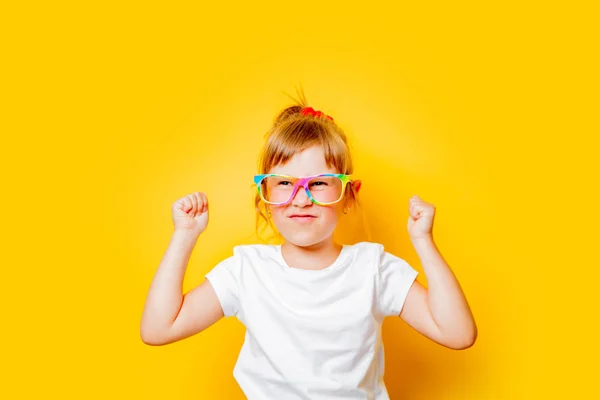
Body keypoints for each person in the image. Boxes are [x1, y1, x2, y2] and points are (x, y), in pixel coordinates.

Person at [140, 92, 477, 399]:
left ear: (348, 195)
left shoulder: (373, 268)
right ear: (265, 198)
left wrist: (423, 241)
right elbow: (158, 328)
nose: (301, 199)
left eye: (318, 183)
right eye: (285, 183)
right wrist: (184, 235)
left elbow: (458, 334)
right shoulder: (246, 271)